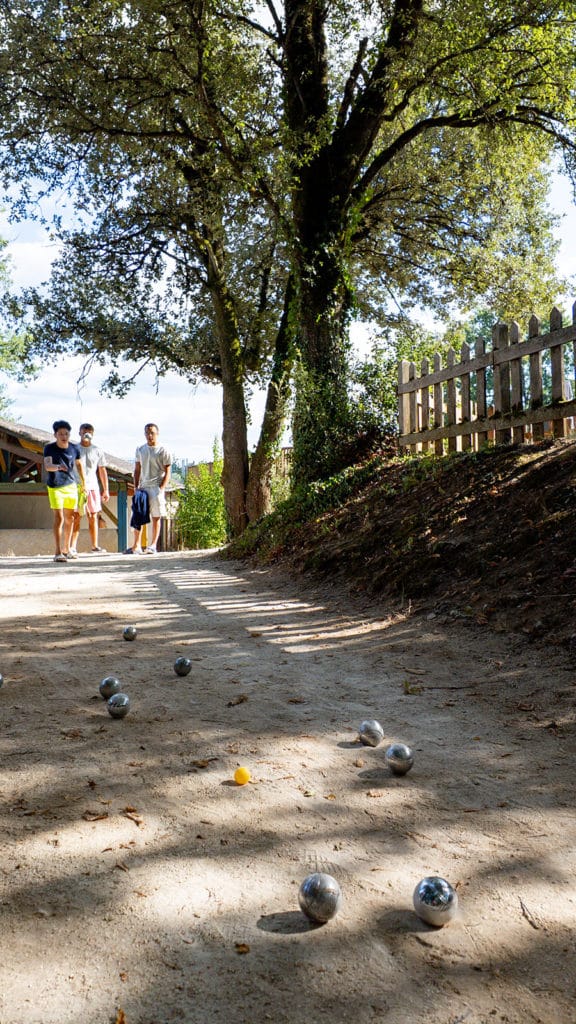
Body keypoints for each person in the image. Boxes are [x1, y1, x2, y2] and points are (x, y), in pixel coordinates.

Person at [43, 419, 87, 563]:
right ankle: (57, 551)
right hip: (55, 486)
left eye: (66, 433)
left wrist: (83, 483)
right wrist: (58, 467)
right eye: (61, 433)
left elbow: (79, 464)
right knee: (59, 518)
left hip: (71, 485)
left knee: (70, 518)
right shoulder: (49, 448)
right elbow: (47, 466)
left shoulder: (74, 448)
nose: (64, 436)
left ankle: (67, 549)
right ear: (55, 434)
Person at [124, 423, 172, 554]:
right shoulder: (140, 449)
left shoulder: (163, 450)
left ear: (157, 433)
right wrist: (136, 487)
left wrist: (162, 487)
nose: (149, 436)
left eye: (152, 433)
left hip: (156, 487)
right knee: (138, 515)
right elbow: (137, 469)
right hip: (143, 487)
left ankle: (153, 545)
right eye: (147, 433)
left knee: (156, 516)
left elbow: (168, 471)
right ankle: (137, 545)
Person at [70, 423, 110, 556]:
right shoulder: (74, 449)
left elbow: (102, 470)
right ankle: (72, 546)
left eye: (89, 432)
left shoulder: (97, 450)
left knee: (93, 516)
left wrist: (106, 489)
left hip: (92, 486)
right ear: (79, 433)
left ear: (92, 434)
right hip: (77, 486)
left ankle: (95, 546)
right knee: (76, 516)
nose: (86, 434)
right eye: (84, 432)